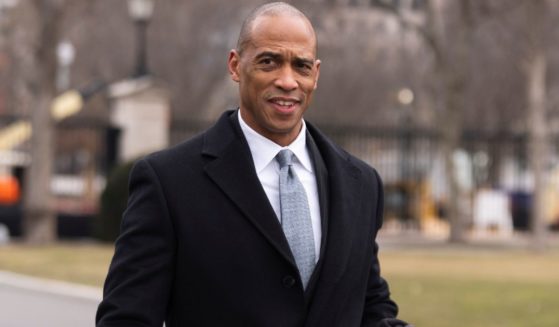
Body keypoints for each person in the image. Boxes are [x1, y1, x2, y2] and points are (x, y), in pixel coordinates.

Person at [96, 2, 411, 327]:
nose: (287, 81)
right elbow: (125, 318)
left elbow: (371, 307)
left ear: (315, 74)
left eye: (300, 66)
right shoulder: (168, 183)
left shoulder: (360, 184)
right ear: (235, 65)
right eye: (269, 62)